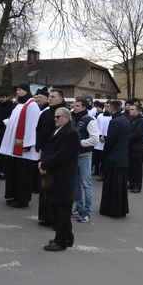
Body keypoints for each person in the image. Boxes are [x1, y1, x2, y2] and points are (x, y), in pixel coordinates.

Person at [38, 107, 80, 251]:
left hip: (64, 177)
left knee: (62, 209)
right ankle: (66, 237)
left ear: (66, 117)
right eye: (54, 117)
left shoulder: (71, 133)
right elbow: (50, 149)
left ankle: (61, 241)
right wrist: (43, 162)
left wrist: (45, 163)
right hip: (55, 174)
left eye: (58, 117)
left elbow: (63, 154)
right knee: (58, 207)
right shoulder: (60, 130)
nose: (55, 119)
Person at [0, 84, 42, 208]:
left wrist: (27, 143)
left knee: (23, 174)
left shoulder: (32, 105)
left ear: (27, 91)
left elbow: (32, 125)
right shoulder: (19, 104)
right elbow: (15, 120)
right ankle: (12, 195)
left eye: (20, 90)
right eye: (17, 90)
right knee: (14, 172)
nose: (18, 92)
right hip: (15, 145)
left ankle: (22, 199)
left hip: (24, 146)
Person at [35, 89, 68, 226]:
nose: (50, 99)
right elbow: (39, 129)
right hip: (45, 153)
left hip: (56, 155)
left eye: (53, 97)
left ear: (61, 98)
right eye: (49, 96)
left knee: (55, 188)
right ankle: (46, 217)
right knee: (45, 186)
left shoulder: (64, 114)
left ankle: (56, 219)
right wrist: (39, 145)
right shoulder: (46, 112)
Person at [100, 100, 130, 218]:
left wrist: (104, 156)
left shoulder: (115, 121)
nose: (107, 108)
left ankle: (111, 209)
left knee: (112, 184)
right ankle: (120, 209)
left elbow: (110, 141)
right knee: (120, 185)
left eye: (108, 106)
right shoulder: (125, 119)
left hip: (114, 157)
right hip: (122, 156)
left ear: (113, 107)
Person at [71, 97, 99, 222]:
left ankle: (87, 212)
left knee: (86, 184)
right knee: (76, 184)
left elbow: (95, 139)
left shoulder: (90, 120)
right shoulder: (74, 118)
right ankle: (79, 207)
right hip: (73, 156)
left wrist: (79, 143)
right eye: (74, 105)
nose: (74, 107)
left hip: (84, 156)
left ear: (84, 107)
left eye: (77, 105)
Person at [127, 104, 143, 193]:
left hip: (137, 148)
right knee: (130, 166)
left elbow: (137, 134)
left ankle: (137, 186)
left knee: (137, 167)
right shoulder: (131, 120)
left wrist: (126, 138)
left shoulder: (141, 121)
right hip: (130, 147)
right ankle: (131, 183)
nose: (130, 110)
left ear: (137, 111)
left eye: (132, 109)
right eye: (130, 109)